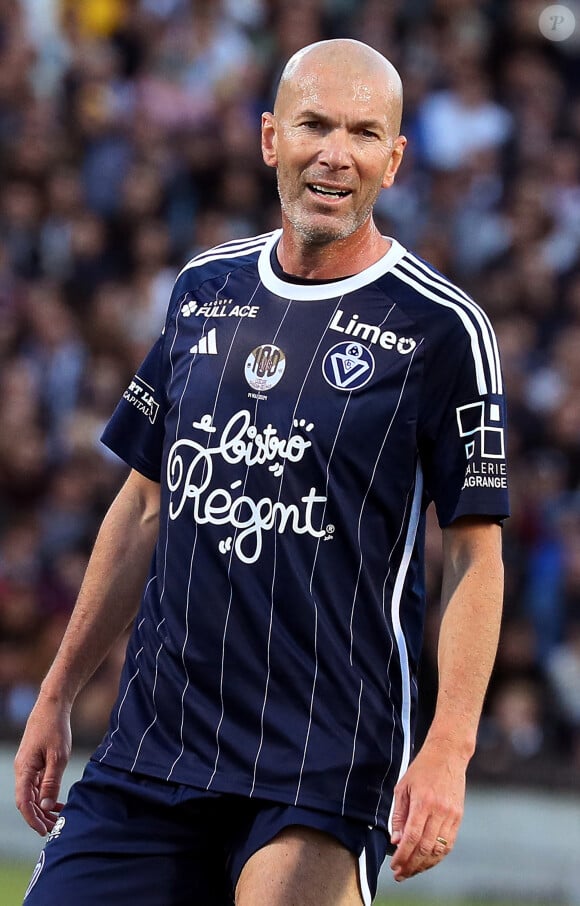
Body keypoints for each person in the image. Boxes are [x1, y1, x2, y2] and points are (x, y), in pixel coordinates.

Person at [14, 38, 508, 906]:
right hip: (153, 747)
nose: (335, 153)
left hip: (318, 762)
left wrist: (448, 748)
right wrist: (57, 691)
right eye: (315, 124)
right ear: (270, 137)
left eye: (363, 133)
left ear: (393, 160)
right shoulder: (204, 286)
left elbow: (475, 554)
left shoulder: (443, 330)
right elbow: (140, 508)